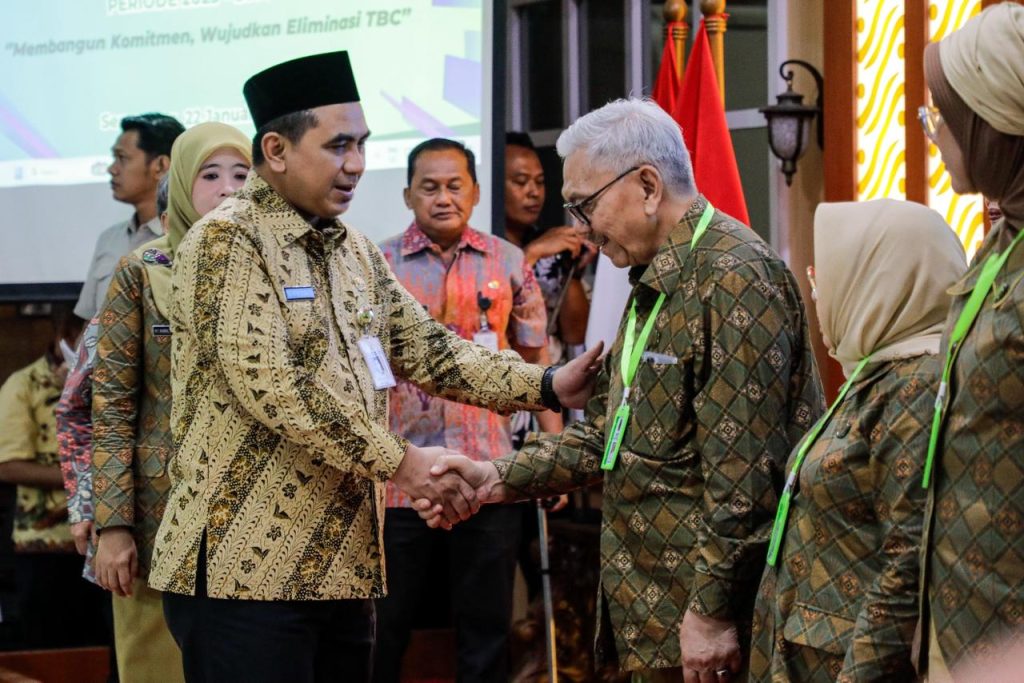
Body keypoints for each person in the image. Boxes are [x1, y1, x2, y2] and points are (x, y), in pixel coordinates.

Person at [147, 51, 601, 683]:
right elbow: (278, 389)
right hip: (245, 573)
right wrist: (405, 464)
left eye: (361, 144)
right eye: (338, 146)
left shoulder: (352, 250)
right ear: (276, 150)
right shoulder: (227, 242)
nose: (356, 163)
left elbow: (430, 349)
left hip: (343, 567)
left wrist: (547, 384)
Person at [417, 98, 824, 682]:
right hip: (652, 617)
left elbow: (745, 478)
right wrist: (494, 477)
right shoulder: (654, 277)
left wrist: (711, 615)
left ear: (648, 186)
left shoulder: (733, 278)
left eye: (586, 205)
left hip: (706, 630)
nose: (580, 228)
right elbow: (609, 438)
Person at [747, 199, 967, 682]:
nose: (817, 293)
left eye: (824, 276)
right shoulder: (875, 374)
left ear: (880, 279)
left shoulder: (914, 386)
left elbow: (906, 562)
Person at [374, 138, 550, 682]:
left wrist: (553, 449)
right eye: (429, 187)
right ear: (408, 195)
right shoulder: (377, 264)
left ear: (474, 192)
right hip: (400, 480)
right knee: (383, 629)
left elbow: (535, 358)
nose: (443, 197)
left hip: (487, 474)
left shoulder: (508, 260)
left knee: (487, 630)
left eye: (455, 186)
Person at [90, 122, 252, 683]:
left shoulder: (275, 267)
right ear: (181, 185)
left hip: (255, 517)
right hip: (159, 515)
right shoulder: (141, 270)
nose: (228, 189)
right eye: (210, 175)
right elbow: (111, 408)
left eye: (242, 174)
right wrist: (112, 526)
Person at [918, 3, 1024, 678]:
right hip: (961, 626)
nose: (933, 134)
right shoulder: (1001, 241)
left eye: (946, 117)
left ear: (995, 127)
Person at [0, 308, 109, 649]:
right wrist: (85, 477)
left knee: (101, 644)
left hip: (105, 539)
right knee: (49, 647)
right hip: (45, 543)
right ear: (63, 333)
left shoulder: (112, 381)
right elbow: (8, 465)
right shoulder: (24, 384)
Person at [75, 113, 185, 321]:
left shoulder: (187, 237)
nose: (112, 169)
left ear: (161, 166)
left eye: (122, 158)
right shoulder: (109, 239)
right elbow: (90, 324)